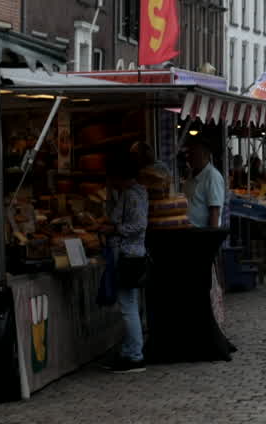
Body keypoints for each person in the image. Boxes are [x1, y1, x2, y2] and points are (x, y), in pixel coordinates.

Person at [105, 158, 149, 373]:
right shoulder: (134, 193)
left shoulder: (132, 194)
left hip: (128, 255)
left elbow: (140, 225)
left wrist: (117, 230)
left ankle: (134, 355)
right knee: (130, 304)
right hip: (131, 254)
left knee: (128, 306)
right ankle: (129, 350)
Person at [186, 139, 226, 229]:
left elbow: (215, 211)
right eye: (189, 153)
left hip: (202, 233)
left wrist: (211, 238)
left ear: (205, 155)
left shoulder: (212, 176)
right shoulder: (191, 175)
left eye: (194, 154)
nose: (190, 157)